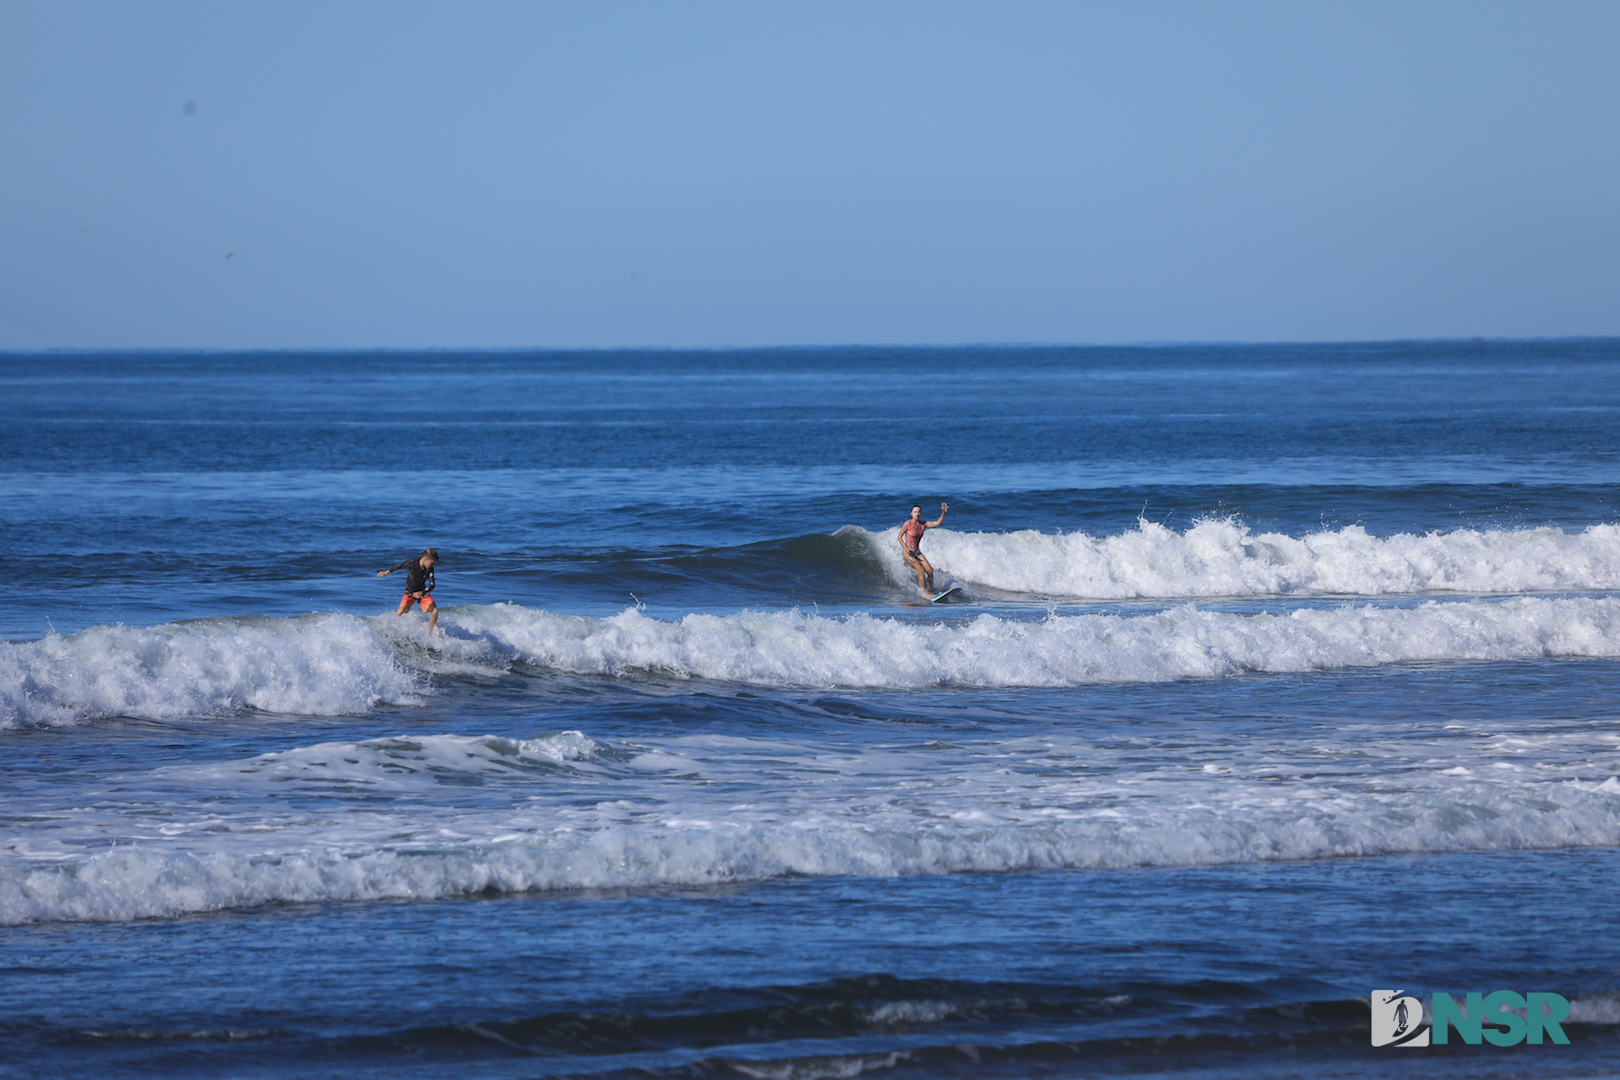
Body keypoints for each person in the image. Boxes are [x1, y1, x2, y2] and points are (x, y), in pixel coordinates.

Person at [378, 548, 441, 631]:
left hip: (422, 593)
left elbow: (432, 585)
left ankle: (432, 633)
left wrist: (421, 592)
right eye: (432, 563)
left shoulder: (430, 569)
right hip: (410, 592)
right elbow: (400, 565)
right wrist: (386, 572)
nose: (432, 565)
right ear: (426, 558)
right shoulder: (413, 563)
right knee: (401, 610)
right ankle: (388, 628)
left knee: (435, 611)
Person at [897, 502, 947, 593]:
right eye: (915, 512)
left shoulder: (923, 524)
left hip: (917, 552)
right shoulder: (907, 524)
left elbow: (938, 523)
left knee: (930, 572)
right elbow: (899, 537)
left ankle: (930, 591)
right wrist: (905, 547)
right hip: (908, 553)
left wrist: (943, 512)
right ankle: (923, 593)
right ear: (911, 513)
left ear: (921, 513)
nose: (917, 514)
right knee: (921, 571)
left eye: (919, 512)